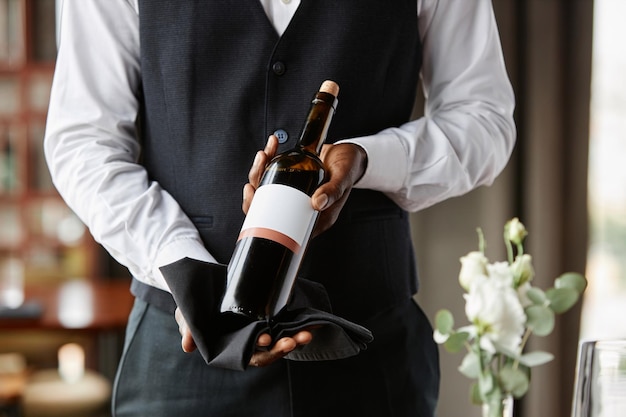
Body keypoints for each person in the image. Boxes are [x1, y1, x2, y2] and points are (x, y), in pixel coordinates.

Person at [44, 1, 516, 416]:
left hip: (371, 350)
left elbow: (484, 121)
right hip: (181, 362)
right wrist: (183, 265)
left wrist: (368, 160)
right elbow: (84, 141)